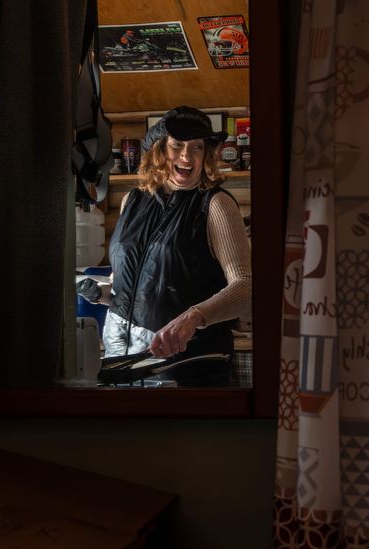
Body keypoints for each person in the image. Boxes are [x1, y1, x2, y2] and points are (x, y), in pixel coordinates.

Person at [77, 106, 251, 385]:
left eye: (197, 147)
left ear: (206, 154)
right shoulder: (132, 202)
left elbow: (244, 287)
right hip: (122, 356)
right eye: (177, 145)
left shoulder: (215, 204)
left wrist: (193, 318)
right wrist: (101, 294)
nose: (186, 156)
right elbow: (139, 289)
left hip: (186, 364)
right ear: (160, 150)